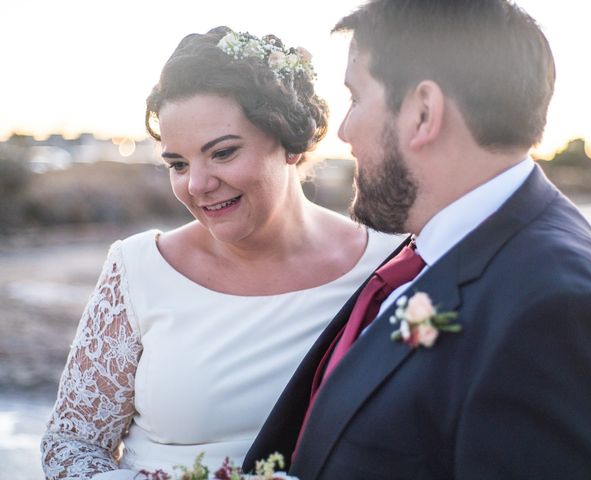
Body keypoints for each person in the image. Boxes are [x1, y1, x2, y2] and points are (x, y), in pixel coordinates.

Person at [243, 1, 591, 479]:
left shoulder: (557, 310)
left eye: (355, 97)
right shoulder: (440, 246)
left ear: (423, 112)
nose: (344, 131)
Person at [40, 26, 403, 478]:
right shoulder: (138, 269)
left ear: (289, 141)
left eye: (223, 153)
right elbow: (70, 444)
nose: (196, 185)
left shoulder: (393, 269)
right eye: (178, 164)